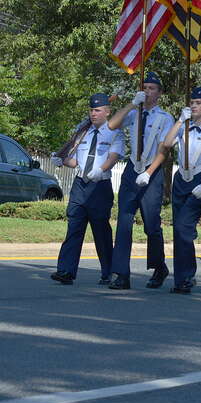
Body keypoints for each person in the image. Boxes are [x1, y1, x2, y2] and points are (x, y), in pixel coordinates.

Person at [138, 87, 201, 294]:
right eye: (192, 102)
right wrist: (179, 121)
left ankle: (184, 279)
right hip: (180, 179)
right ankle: (186, 275)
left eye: (198, 103)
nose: (194, 106)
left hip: (199, 179)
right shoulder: (183, 127)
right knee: (179, 230)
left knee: (185, 228)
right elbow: (166, 144)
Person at [105, 72, 174, 290]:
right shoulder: (134, 112)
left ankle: (159, 266)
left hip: (151, 172)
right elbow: (111, 125)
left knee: (151, 224)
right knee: (124, 222)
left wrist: (149, 172)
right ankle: (122, 274)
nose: (147, 91)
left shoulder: (165, 118)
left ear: (159, 93)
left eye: (152, 88)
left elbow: (164, 150)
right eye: (144, 87)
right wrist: (131, 104)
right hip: (131, 170)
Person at [49, 93, 124, 285]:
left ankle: (108, 272)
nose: (93, 113)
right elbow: (75, 162)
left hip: (100, 186)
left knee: (101, 231)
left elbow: (114, 156)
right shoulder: (82, 132)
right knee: (74, 227)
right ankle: (65, 271)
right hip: (80, 185)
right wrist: (61, 160)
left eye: (98, 110)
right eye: (91, 110)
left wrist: (101, 170)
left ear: (108, 112)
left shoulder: (114, 132)